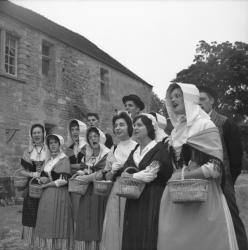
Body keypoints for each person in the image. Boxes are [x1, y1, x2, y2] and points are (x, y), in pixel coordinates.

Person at [157, 83, 238, 250]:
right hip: (176, 197)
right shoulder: (176, 131)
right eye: (171, 96)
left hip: (203, 197)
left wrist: (185, 175)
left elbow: (215, 168)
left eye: (178, 95)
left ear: (189, 98)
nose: (173, 99)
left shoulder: (205, 125)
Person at [199, 86, 248, 250]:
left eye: (203, 99)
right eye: (196, 100)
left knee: (232, 219)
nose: (199, 104)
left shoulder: (225, 122)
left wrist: (228, 180)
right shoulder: (194, 125)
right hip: (200, 179)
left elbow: (235, 157)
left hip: (223, 180)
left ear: (212, 101)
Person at [115, 114, 173, 250]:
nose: (135, 127)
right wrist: (132, 175)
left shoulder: (160, 148)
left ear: (150, 128)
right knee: (132, 232)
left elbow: (150, 174)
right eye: (134, 125)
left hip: (152, 197)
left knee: (148, 232)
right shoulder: (134, 151)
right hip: (133, 198)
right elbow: (125, 172)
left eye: (139, 125)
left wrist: (131, 176)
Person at [100, 112, 137, 250]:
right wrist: (110, 173)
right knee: (113, 223)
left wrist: (123, 168)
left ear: (129, 126)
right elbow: (107, 173)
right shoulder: (113, 148)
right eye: (116, 125)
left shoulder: (137, 147)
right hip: (116, 191)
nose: (118, 128)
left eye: (122, 124)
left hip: (132, 190)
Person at [35, 134, 73, 250]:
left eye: (55, 142)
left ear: (60, 144)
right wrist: (41, 179)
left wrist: (47, 184)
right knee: (47, 222)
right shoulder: (48, 160)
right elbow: (43, 176)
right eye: (50, 143)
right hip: (46, 196)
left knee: (58, 222)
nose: (53, 145)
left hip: (59, 195)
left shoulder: (64, 159)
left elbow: (63, 180)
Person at [75, 127, 110, 250]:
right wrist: (83, 172)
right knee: (86, 218)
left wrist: (89, 176)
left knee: (98, 217)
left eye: (95, 136)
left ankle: (100, 246)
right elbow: (85, 169)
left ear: (100, 138)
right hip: (87, 191)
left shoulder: (107, 154)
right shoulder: (87, 156)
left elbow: (105, 172)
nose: (93, 139)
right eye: (90, 137)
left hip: (100, 191)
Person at [19, 123, 47, 246]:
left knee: (44, 214)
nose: (36, 135)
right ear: (31, 135)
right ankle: (32, 243)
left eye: (38, 132)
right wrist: (32, 174)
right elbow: (21, 170)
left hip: (46, 188)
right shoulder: (28, 152)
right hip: (31, 189)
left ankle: (44, 243)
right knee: (30, 215)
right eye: (34, 133)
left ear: (43, 134)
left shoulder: (49, 150)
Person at [65, 119, 87, 222]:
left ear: (82, 131)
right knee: (74, 212)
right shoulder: (69, 148)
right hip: (73, 183)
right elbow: (66, 165)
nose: (74, 132)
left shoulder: (88, 147)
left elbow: (89, 164)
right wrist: (78, 166)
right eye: (72, 129)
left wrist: (75, 166)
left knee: (84, 211)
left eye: (77, 129)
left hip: (86, 182)